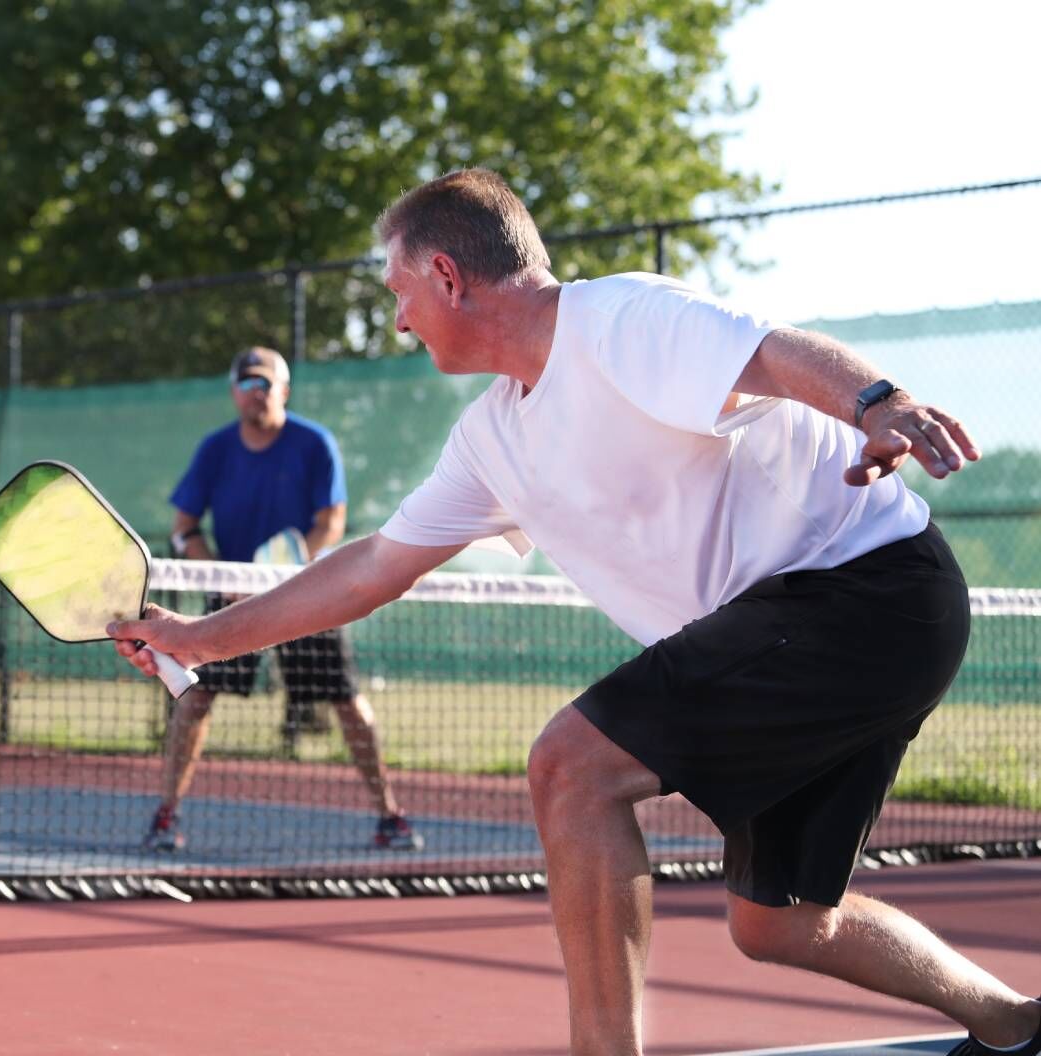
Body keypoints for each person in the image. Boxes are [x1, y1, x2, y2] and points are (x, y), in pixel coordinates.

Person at [112, 170, 1040, 1055]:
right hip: (812, 626)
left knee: (573, 767)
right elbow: (370, 570)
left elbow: (774, 351)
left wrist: (878, 402)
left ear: (447, 273)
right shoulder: (490, 438)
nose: (396, 318)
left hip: (866, 591)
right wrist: (194, 636)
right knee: (782, 926)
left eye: (399, 290)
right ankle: (1014, 1021)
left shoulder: (617, 319)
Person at [142, 346, 422, 853]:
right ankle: (166, 816)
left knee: (348, 704)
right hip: (233, 597)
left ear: (284, 390)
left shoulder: (315, 443)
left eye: (265, 384)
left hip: (308, 595)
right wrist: (223, 579)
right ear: (234, 393)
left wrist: (286, 573)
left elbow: (330, 522)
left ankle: (390, 815)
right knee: (194, 698)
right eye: (247, 384)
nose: (256, 393)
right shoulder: (214, 449)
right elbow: (184, 528)